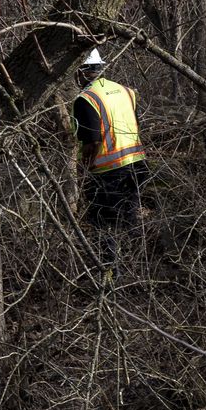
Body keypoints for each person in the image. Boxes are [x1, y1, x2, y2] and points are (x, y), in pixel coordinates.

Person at [71, 49, 149, 256]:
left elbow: (92, 142)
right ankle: (137, 266)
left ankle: (110, 272)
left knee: (105, 226)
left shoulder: (85, 99)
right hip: (137, 163)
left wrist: (84, 170)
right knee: (129, 219)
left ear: (81, 71)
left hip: (108, 172)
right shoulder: (125, 91)